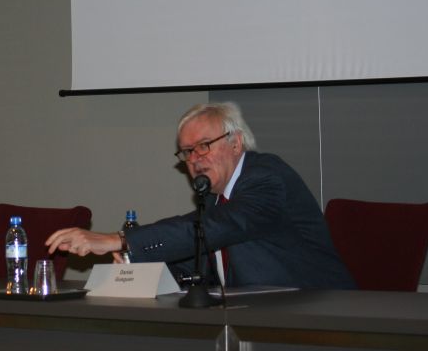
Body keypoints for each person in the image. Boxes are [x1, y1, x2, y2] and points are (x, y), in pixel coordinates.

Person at [46, 102, 355, 289]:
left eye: (204, 146)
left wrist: (120, 240)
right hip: (255, 316)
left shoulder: (267, 177)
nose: (195, 159)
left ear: (235, 143)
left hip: (320, 316)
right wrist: (138, 270)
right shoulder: (213, 196)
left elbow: (217, 227)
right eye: (187, 151)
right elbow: (197, 262)